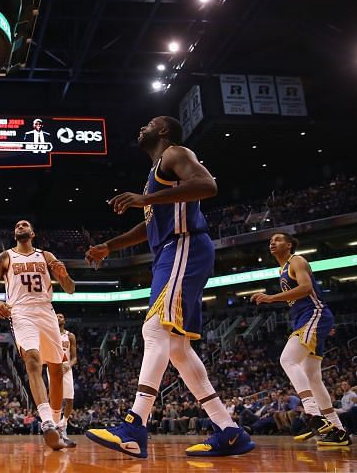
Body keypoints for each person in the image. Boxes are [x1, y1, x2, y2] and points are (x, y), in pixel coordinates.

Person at [84, 116, 254, 458]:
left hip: (184, 244)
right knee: (176, 348)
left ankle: (135, 424)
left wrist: (146, 200)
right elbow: (148, 225)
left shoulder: (175, 154)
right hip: (171, 249)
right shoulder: (154, 180)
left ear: (163, 131)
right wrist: (110, 246)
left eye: (149, 123)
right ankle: (230, 430)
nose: (141, 127)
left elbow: (208, 185)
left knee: (154, 327)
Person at [0, 219, 76, 451]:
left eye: (25, 224)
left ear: (33, 233)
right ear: (15, 234)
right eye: (17, 225)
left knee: (55, 370)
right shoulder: (5, 257)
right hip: (21, 312)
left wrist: (63, 276)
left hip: (46, 311)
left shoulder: (46, 256)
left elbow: (70, 288)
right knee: (32, 360)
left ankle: (57, 427)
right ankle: (46, 422)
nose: (20, 226)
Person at [251, 233, 350, 446]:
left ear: (289, 245)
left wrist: (271, 298)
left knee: (287, 359)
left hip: (314, 314)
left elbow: (306, 288)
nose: (272, 242)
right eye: (271, 240)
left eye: (278, 239)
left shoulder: (296, 260)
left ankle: (314, 414)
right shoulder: (282, 269)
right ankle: (338, 430)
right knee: (313, 377)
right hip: (307, 318)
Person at [50, 313, 77, 446]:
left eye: (60, 316)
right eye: (56, 316)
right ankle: (55, 427)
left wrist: (68, 366)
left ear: (64, 320)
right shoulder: (49, 334)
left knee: (70, 399)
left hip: (66, 368)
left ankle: (63, 424)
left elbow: (74, 357)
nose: (58, 318)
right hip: (53, 367)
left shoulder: (70, 336)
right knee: (56, 399)